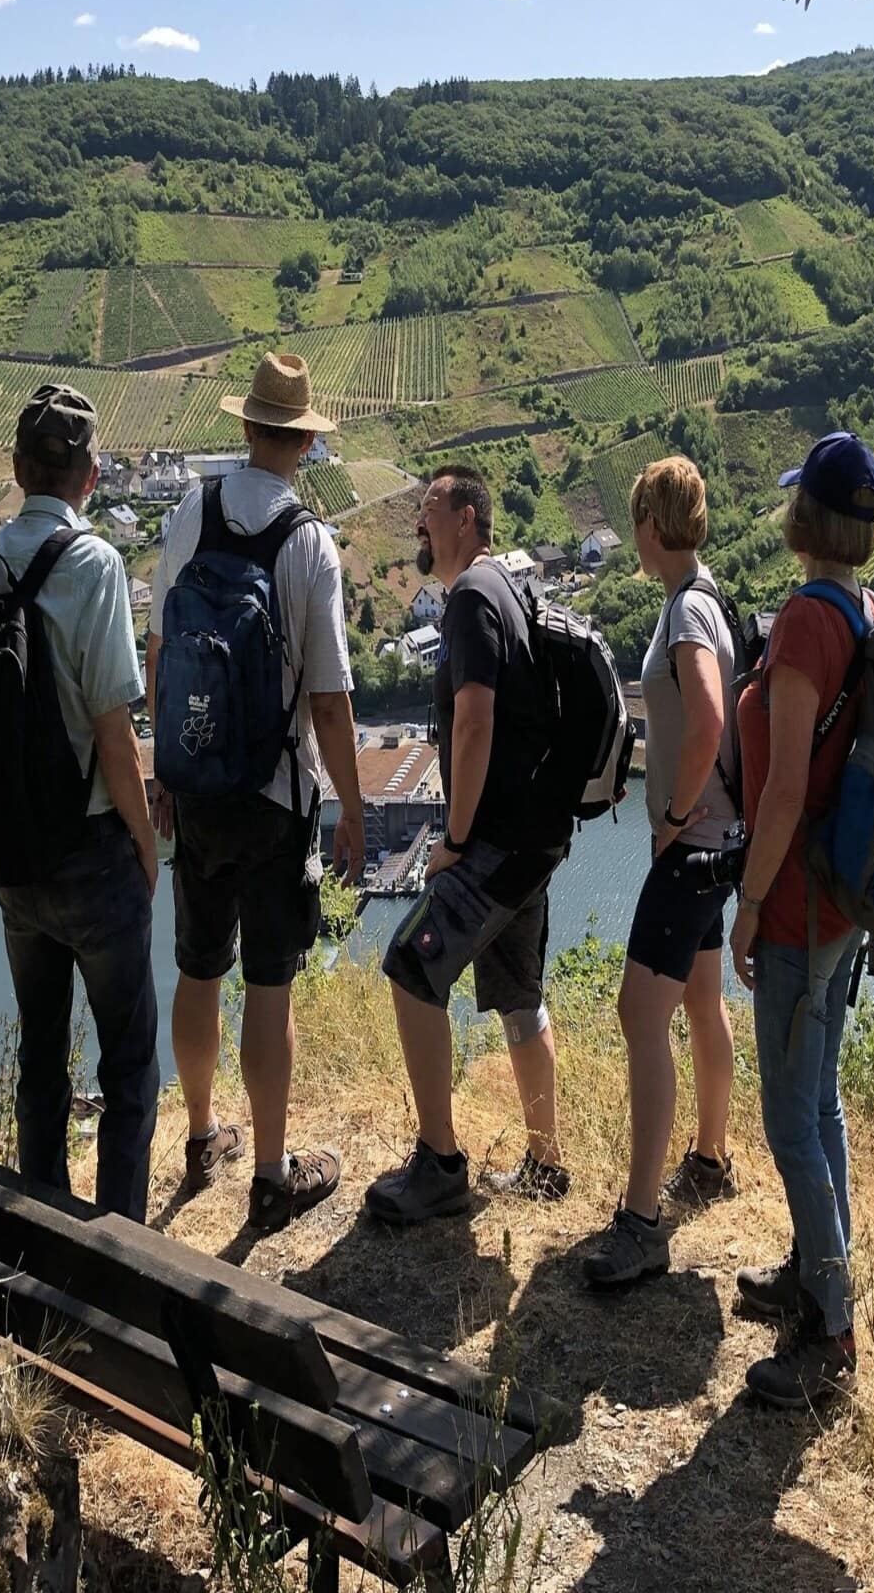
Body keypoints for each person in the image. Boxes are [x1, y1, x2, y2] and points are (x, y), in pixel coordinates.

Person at [0, 384, 160, 1222]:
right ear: (91, 476)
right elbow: (114, 727)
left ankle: (44, 1237)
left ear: (19, 471)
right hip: (92, 850)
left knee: (41, 1058)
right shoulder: (94, 564)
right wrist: (144, 842)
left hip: (13, 856)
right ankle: (127, 1255)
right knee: (127, 1066)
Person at [148, 352, 364, 1232]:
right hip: (275, 794)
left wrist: (166, 770)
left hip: (196, 782)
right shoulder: (307, 541)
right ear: (305, 446)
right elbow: (330, 698)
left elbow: (160, 653)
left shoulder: (187, 516)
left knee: (199, 964)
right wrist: (350, 807)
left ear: (245, 428)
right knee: (267, 984)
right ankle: (271, 1176)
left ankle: (202, 1136)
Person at [365, 466, 573, 1224]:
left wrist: (453, 840)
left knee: (410, 967)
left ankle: (441, 1163)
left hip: (490, 844)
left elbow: (477, 720)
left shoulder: (472, 599)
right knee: (521, 1001)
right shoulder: (511, 587)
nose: (418, 523)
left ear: (467, 516)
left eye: (429, 509)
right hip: (532, 841)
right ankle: (547, 1164)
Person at [727, 431, 874, 1407]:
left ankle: (829, 1335)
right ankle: (815, 1274)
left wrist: (746, 907)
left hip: (795, 900)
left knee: (789, 1118)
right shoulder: (865, 612)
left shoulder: (803, 627)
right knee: (819, 1103)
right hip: (842, 897)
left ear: (804, 519)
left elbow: (782, 789)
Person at [584, 455, 742, 1290]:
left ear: (650, 524)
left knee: (639, 1015)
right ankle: (710, 1157)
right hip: (725, 848)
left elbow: (709, 717)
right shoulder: (713, 597)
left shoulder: (684, 614)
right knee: (703, 1002)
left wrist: (676, 816)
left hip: (692, 849)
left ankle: (642, 1221)